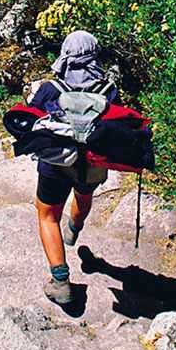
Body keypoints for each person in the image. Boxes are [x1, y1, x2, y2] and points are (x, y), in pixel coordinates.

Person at [29, 30, 118, 306]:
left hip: (55, 163)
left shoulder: (50, 89)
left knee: (47, 216)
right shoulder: (109, 90)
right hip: (91, 162)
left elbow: (30, 115)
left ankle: (61, 282)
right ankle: (75, 227)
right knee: (84, 195)